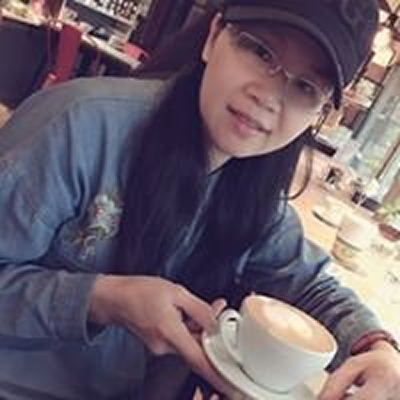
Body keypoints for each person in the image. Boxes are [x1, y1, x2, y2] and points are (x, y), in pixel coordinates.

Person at [0, 0, 399, 399]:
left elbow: (310, 285)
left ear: (318, 115)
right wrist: (101, 300)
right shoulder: (81, 126)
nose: (268, 96)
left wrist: (378, 348)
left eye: (305, 87)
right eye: (261, 52)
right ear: (213, 37)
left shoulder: (255, 196)